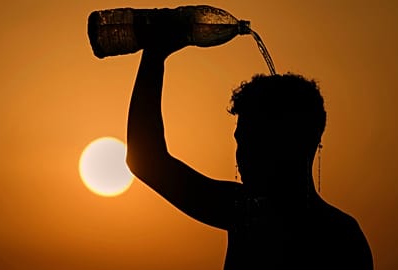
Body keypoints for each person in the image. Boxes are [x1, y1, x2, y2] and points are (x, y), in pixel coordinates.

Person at [125, 35, 373, 269]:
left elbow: (147, 162)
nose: (243, 155)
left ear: (295, 142)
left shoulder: (246, 213)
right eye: (241, 141)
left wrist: (155, 54)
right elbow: (147, 161)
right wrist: (154, 55)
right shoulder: (341, 233)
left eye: (257, 140)